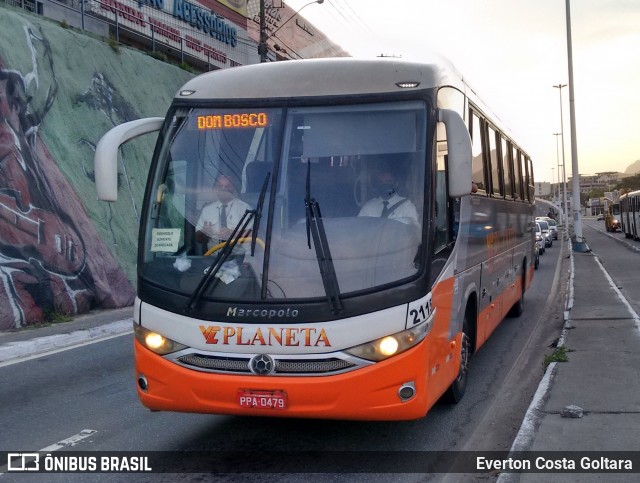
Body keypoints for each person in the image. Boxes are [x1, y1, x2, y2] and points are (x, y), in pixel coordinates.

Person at [195, 175, 252, 249]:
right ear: (215, 189)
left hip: (240, 257)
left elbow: (253, 237)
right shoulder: (207, 210)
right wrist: (204, 232)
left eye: (227, 186)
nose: (223, 189)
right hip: (214, 257)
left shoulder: (245, 209)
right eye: (220, 186)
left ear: (233, 188)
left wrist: (232, 233)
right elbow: (199, 240)